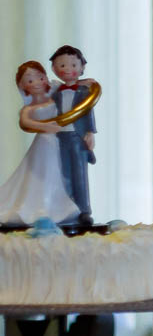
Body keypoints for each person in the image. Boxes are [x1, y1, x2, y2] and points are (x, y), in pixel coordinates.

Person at [0, 61, 81, 226]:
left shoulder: (55, 95)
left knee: (60, 172)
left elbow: (72, 85)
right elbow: (25, 123)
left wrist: (88, 82)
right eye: (30, 81)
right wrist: (45, 126)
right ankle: (41, 207)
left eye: (40, 77)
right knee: (43, 172)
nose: (36, 83)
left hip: (60, 141)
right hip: (44, 143)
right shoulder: (28, 109)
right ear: (23, 87)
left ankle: (57, 205)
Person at [47, 45, 98, 225]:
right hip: (61, 138)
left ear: (82, 68)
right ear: (54, 68)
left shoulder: (84, 91)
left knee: (80, 175)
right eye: (62, 66)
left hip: (77, 137)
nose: (68, 69)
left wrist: (90, 132)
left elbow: (88, 111)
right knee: (64, 174)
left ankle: (84, 210)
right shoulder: (55, 92)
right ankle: (67, 209)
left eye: (73, 65)